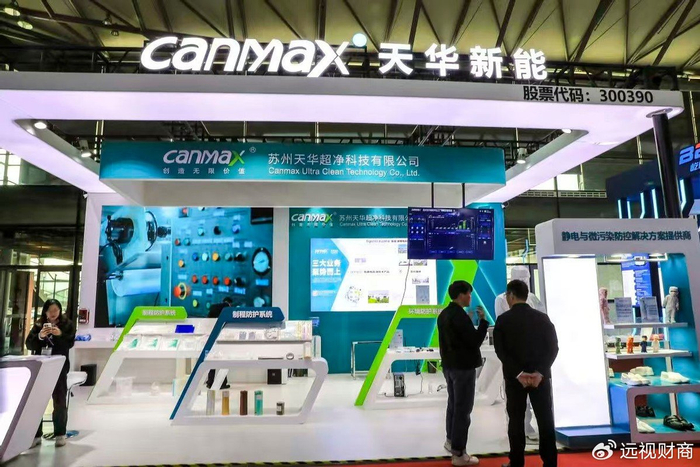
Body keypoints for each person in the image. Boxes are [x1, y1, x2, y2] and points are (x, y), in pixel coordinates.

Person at [494, 280, 559, 467]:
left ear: (511, 296)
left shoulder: (503, 320)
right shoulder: (543, 318)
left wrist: (518, 373)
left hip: (515, 380)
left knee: (516, 421)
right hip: (540, 379)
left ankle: (516, 462)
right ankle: (550, 462)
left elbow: (501, 351)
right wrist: (540, 372)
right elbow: (553, 348)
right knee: (545, 420)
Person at [438, 280, 489, 466]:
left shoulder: (444, 314)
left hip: (449, 366)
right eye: (468, 294)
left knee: (453, 405)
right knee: (463, 409)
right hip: (463, 368)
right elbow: (474, 341)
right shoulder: (459, 316)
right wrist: (483, 322)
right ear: (461, 295)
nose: (470, 297)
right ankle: (459, 454)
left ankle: (451, 440)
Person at [494, 266, 544, 441]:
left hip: (533, 353)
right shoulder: (501, 299)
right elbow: (503, 323)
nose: (524, 280)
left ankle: (528, 426)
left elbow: (543, 318)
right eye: (521, 277)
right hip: (514, 355)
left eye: (526, 277)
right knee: (515, 397)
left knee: (535, 397)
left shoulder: (533, 298)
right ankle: (517, 428)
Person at [25, 299, 76, 448]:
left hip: (59, 367)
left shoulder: (67, 325)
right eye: (50, 310)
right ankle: (36, 435)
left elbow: (70, 343)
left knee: (59, 400)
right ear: (45, 312)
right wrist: (40, 336)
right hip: (41, 367)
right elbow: (29, 344)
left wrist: (59, 334)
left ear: (60, 310)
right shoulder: (39, 325)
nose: (53, 313)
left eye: (56, 310)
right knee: (38, 401)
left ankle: (60, 434)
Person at [205, 297, 233, 389]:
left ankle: (210, 382)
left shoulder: (214, 307)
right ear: (229, 303)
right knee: (223, 361)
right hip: (222, 337)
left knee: (212, 360)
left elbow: (208, 321)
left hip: (212, 336)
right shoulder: (227, 308)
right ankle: (222, 383)